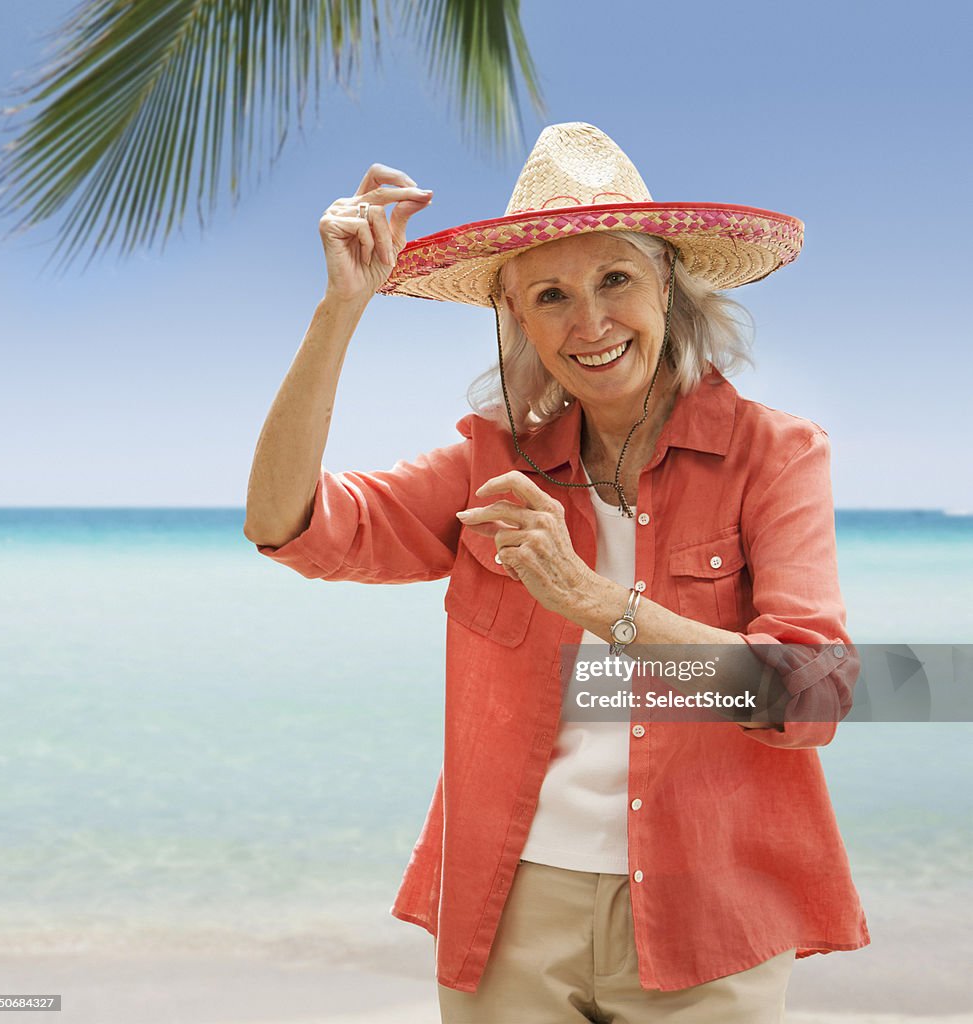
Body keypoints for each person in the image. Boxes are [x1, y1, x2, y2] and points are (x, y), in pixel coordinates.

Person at [244, 122, 870, 1023]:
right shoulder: (488, 465)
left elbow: (815, 696)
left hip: (710, 909)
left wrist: (600, 604)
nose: (589, 322)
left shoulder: (772, 455)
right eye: (550, 295)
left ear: (667, 284)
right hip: (511, 904)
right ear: (521, 323)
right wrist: (341, 307)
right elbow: (283, 523)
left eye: (615, 278)